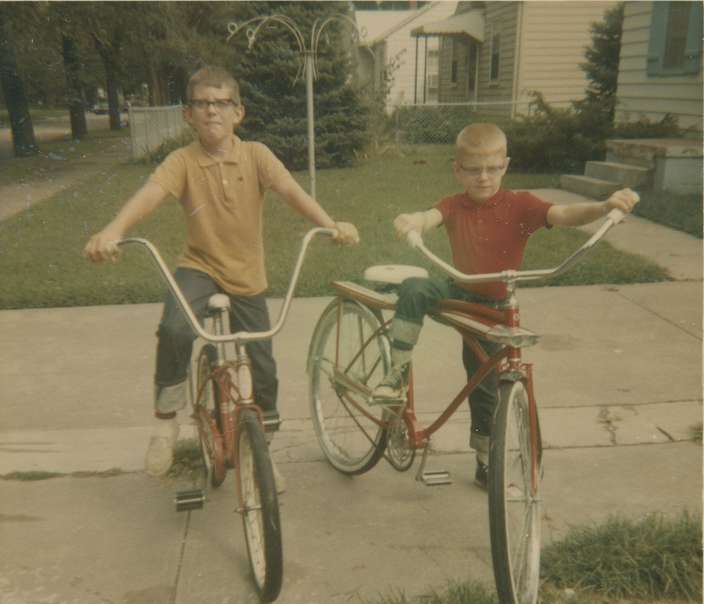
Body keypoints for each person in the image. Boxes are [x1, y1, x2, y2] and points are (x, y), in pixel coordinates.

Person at [84, 65, 359, 480]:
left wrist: (331, 223)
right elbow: (150, 196)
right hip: (199, 266)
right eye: (202, 103)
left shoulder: (256, 155)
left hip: (247, 275)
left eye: (222, 103)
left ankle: (260, 455)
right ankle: (165, 421)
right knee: (176, 330)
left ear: (239, 112)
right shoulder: (182, 161)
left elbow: (291, 192)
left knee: (263, 367)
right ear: (188, 114)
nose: (212, 111)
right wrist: (113, 231)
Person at [371, 122, 638, 488]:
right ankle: (394, 377)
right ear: (457, 170)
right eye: (473, 169)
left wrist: (604, 207)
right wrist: (414, 220)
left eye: (493, 168)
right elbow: (430, 218)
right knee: (415, 288)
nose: (483, 177)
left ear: (505, 166)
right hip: (460, 291)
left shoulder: (521, 205)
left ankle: (485, 459)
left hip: (495, 305)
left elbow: (561, 214)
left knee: (485, 385)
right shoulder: (453, 204)